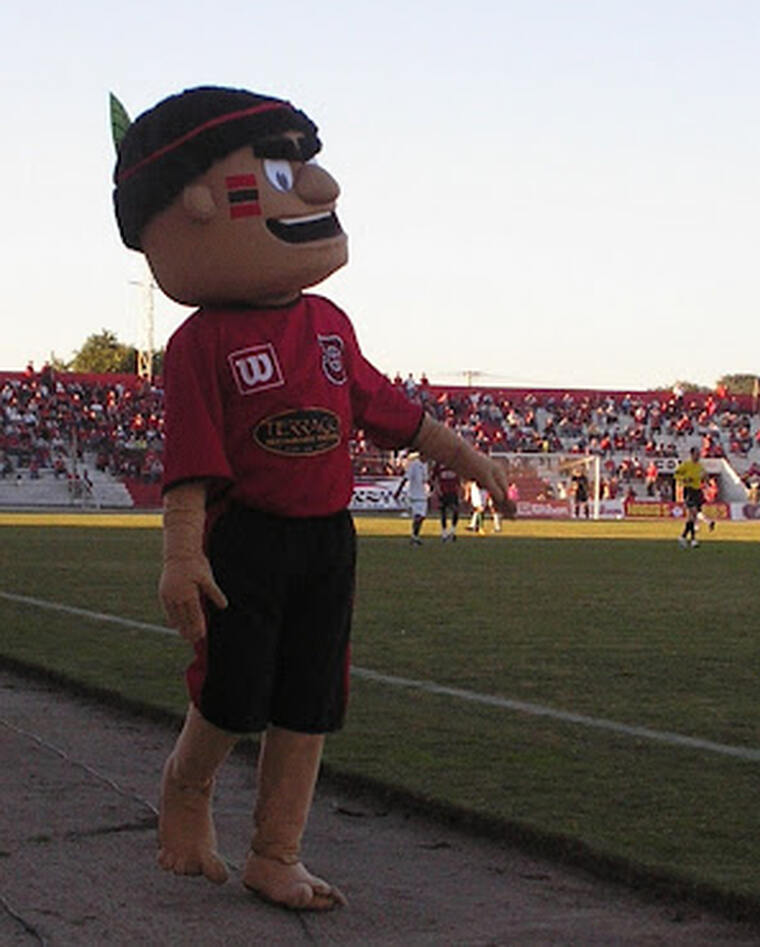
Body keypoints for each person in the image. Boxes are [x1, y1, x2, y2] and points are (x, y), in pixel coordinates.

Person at [112, 86, 508, 912]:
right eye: (283, 172)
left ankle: (275, 852)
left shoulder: (328, 322)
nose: (321, 190)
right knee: (230, 694)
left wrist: (474, 460)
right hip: (246, 540)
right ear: (194, 205)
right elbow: (189, 462)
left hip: (329, 538)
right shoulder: (199, 344)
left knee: (311, 702)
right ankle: (186, 792)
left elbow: (392, 412)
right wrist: (182, 552)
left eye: (309, 166)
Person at [673, 447, 707, 548]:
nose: (698, 456)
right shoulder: (686, 465)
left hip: (697, 491)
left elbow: (704, 476)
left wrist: (704, 478)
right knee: (693, 513)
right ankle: (692, 539)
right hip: (689, 490)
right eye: (697, 454)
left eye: (699, 454)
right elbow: (676, 475)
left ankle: (685, 537)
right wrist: (684, 479)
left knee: (692, 516)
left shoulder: (700, 466)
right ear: (692, 454)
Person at [394, 451, 429, 545]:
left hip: (423, 495)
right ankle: (414, 537)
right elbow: (406, 478)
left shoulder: (425, 465)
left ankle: (415, 536)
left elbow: (425, 479)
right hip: (414, 494)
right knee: (418, 516)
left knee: (422, 517)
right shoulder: (414, 464)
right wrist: (398, 491)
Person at [433, 461, 461, 542]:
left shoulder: (455, 464)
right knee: (443, 512)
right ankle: (444, 532)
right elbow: (435, 478)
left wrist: (459, 491)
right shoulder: (439, 465)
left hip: (453, 491)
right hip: (443, 491)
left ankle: (452, 531)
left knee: (455, 511)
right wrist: (437, 490)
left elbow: (458, 480)